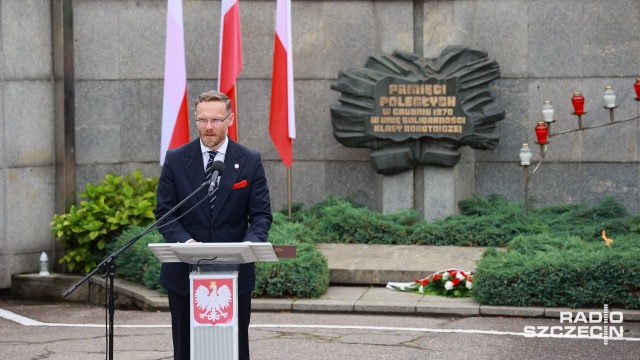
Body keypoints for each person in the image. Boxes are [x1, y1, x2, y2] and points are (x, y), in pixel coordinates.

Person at [156, 90, 272, 360]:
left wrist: (250, 245)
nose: (209, 127)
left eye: (216, 120)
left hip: (235, 275)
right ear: (195, 120)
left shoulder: (249, 160)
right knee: (185, 351)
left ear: (230, 119)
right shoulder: (175, 159)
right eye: (202, 120)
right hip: (184, 276)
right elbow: (165, 213)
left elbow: (261, 215)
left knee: (233, 350)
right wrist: (186, 243)